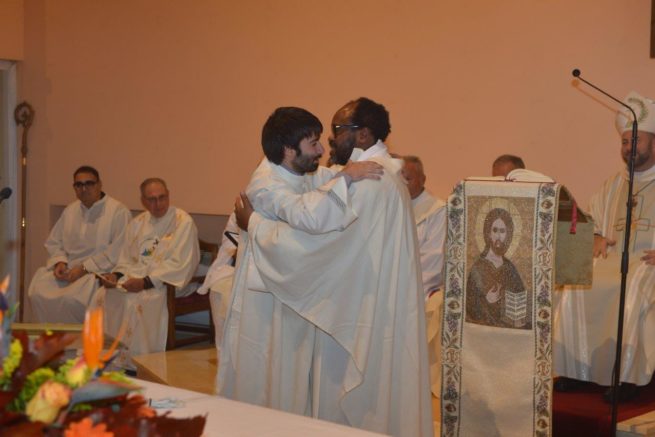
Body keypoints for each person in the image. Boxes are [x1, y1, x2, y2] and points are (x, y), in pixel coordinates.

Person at [218, 99, 433, 437]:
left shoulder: (368, 178)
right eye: (315, 141)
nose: (326, 145)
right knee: (267, 385)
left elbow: (317, 245)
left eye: (335, 131)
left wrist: (254, 224)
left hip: (320, 300)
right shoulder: (273, 180)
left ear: (362, 135)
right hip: (269, 303)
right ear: (289, 150)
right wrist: (346, 174)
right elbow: (310, 212)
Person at [553, 91, 655, 401]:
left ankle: (627, 377)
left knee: (632, 289)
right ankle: (577, 370)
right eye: (624, 142)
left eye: (636, 140)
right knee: (574, 286)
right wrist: (595, 237)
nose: (629, 147)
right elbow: (590, 220)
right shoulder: (612, 185)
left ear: (654, 143)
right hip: (613, 260)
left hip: (648, 263)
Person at [94, 178, 199, 368]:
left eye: (162, 197)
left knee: (135, 300)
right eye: (151, 199)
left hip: (166, 283)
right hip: (135, 278)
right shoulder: (137, 223)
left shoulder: (183, 222)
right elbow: (126, 259)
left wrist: (146, 282)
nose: (158, 204)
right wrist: (115, 276)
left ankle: (139, 362)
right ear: (143, 201)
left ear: (168, 195)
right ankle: (110, 357)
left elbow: (180, 264)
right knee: (103, 295)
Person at [28, 166, 131, 323]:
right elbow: (54, 242)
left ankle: (79, 336)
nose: (84, 189)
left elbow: (118, 250)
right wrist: (60, 262)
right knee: (36, 292)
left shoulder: (118, 211)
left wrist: (83, 268)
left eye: (89, 183)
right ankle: (53, 336)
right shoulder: (70, 210)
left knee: (71, 300)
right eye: (79, 185)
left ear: (99, 184)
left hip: (96, 273)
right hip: (69, 271)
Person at [466, 208, 527, 329]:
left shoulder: (510, 268)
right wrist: (486, 300)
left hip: (508, 332)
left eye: (502, 231)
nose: (498, 236)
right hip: (482, 332)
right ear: (489, 233)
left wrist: (519, 316)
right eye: (495, 230)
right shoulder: (478, 267)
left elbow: (521, 302)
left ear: (507, 235)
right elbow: (469, 306)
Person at [402, 155, 446, 297]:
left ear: (423, 180)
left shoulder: (437, 211)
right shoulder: (394, 208)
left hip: (418, 291)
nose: (403, 184)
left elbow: (433, 259)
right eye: (399, 179)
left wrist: (407, 292)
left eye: (408, 179)